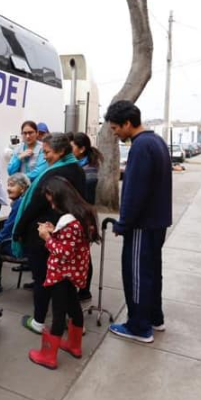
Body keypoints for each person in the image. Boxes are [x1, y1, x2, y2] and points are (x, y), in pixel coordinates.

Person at [104, 101, 172, 343]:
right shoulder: (157, 142)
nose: (115, 133)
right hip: (157, 222)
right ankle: (155, 318)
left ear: (127, 123)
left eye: (115, 128)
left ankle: (139, 327)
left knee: (137, 275)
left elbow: (134, 191)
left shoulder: (140, 147)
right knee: (152, 273)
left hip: (143, 225)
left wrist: (124, 223)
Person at [12, 132, 86, 335]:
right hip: (62, 233)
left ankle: (38, 321)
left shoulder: (56, 173)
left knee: (43, 280)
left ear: (61, 151)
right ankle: (73, 324)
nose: (44, 156)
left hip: (45, 235)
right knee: (64, 285)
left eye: (47, 152)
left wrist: (17, 230)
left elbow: (35, 204)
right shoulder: (76, 169)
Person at [28, 177, 99, 369]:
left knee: (58, 314)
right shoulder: (82, 215)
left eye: (52, 200)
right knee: (74, 307)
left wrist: (47, 237)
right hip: (73, 273)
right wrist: (55, 231)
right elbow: (73, 243)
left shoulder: (70, 223)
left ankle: (48, 355)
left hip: (62, 273)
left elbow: (63, 252)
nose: (51, 204)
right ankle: (74, 346)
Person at [0, 172, 30, 293]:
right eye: (8, 185)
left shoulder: (19, 204)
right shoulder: (25, 201)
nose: (8, 188)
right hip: (27, 243)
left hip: (21, 247)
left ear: (23, 188)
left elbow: (8, 229)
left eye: (12, 185)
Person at [70, 132, 103, 302]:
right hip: (78, 216)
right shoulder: (79, 166)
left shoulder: (88, 172)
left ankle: (84, 290)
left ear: (82, 149)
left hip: (83, 218)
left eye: (72, 147)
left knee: (83, 254)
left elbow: (85, 200)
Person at [70, 132, 103, 205]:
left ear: (82, 149)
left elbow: (88, 199)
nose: (69, 151)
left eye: (71, 148)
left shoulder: (90, 171)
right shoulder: (76, 165)